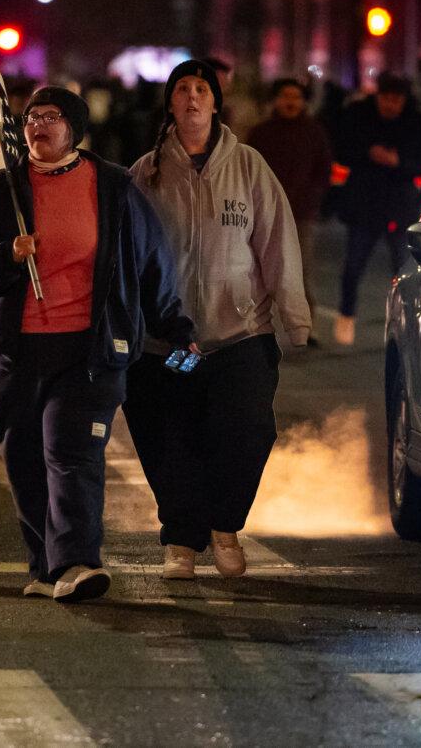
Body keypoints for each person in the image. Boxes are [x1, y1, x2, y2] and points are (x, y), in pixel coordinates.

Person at [0, 87, 194, 603]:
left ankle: (78, 562)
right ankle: (45, 567)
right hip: (13, 354)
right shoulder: (3, 190)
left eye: (51, 117)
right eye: (31, 118)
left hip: (89, 351)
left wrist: (175, 326)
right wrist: (5, 258)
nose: (38, 126)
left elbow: (153, 264)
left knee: (72, 453)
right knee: (27, 461)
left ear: (74, 127)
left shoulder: (114, 188)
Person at [123, 60, 310, 580]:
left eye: (201, 89)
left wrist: (294, 318)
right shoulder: (146, 173)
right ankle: (181, 541)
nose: (191, 97)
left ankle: (224, 526)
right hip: (172, 344)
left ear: (215, 102)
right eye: (181, 88)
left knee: (247, 430)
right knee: (171, 436)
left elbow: (277, 243)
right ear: (169, 103)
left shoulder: (249, 166)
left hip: (238, 337)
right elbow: (128, 255)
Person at [333, 71, 421, 345]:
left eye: (396, 100)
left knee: (403, 272)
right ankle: (346, 313)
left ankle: (404, 323)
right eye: (385, 98)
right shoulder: (359, 116)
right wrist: (368, 153)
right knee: (353, 265)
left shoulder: (416, 122)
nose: (390, 105)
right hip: (364, 203)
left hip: (399, 206)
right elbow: (341, 149)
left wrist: (397, 161)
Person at [247, 78, 333, 343]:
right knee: (254, 270)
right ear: (275, 100)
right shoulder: (260, 133)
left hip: (300, 213)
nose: (290, 102)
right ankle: (250, 326)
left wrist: (313, 196)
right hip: (262, 214)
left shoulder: (314, 132)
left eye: (296, 97)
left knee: (301, 270)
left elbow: (324, 170)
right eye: (285, 96)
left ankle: (307, 327)